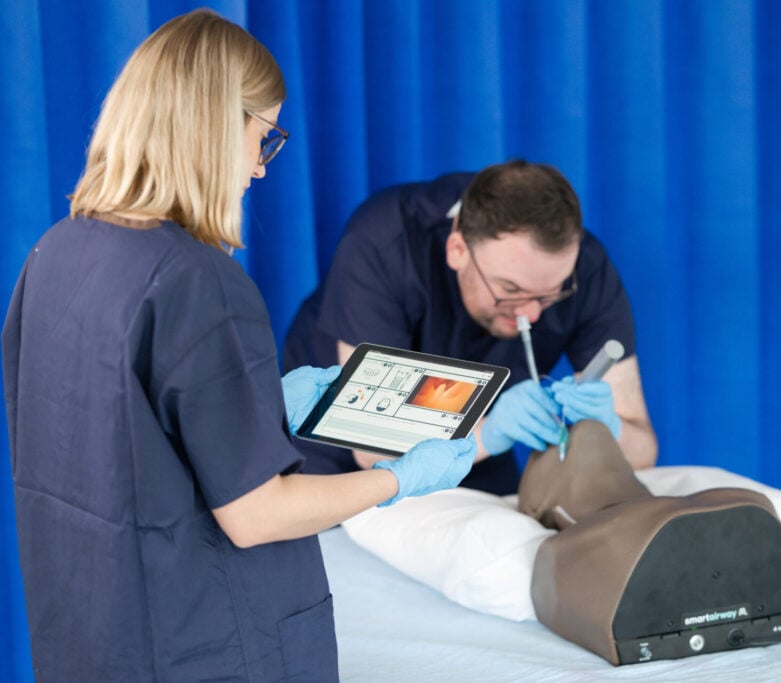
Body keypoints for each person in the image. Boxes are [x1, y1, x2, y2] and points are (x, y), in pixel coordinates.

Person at [1, 10, 474, 682]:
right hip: (204, 646)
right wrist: (397, 478)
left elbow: (116, 439)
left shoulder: (55, 253)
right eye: (263, 136)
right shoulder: (198, 280)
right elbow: (257, 515)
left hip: (91, 636)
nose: (258, 167)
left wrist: (257, 406)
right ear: (212, 125)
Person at [283, 160, 658, 495]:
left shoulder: (585, 270)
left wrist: (609, 429)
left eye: (550, 295)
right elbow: (373, 449)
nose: (531, 314)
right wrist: (492, 431)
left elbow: (644, 449)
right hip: (339, 459)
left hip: (477, 451)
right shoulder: (384, 243)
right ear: (457, 250)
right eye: (510, 290)